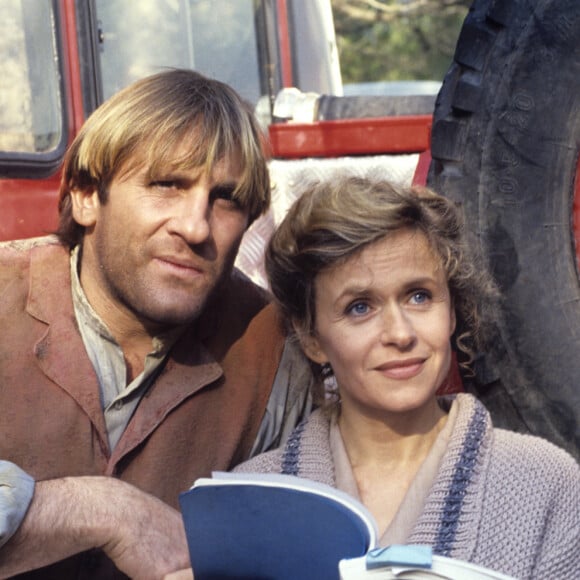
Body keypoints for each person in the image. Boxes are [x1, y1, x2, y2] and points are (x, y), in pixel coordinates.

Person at [0, 69, 311, 578]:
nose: (194, 227)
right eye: (167, 184)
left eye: (226, 199)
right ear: (84, 196)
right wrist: (106, 510)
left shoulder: (272, 352)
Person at [234, 175, 580, 580]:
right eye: (360, 307)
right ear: (312, 339)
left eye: (419, 296)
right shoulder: (252, 497)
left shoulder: (546, 484)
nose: (400, 334)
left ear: (451, 310)